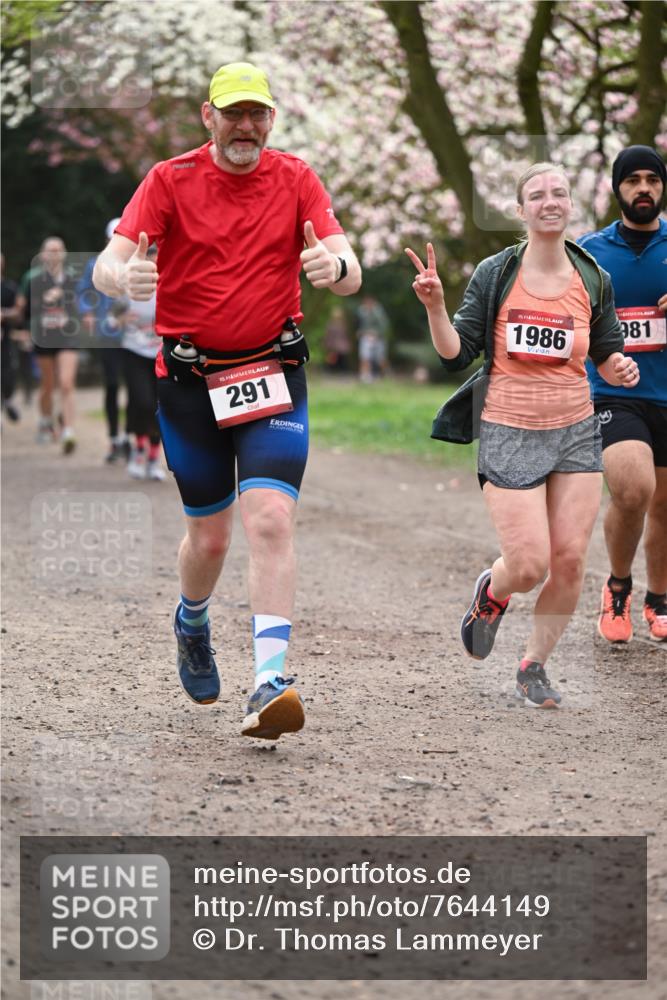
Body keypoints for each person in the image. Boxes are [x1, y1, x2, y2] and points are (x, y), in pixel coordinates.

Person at [92, 62, 361, 737]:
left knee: (269, 518)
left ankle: (269, 681)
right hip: (188, 383)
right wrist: (124, 274)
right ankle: (191, 619)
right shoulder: (169, 179)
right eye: (233, 113)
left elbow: (345, 261)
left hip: (271, 373)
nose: (246, 126)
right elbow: (108, 264)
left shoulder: (296, 177)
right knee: (208, 540)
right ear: (207, 116)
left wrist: (337, 268)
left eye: (257, 113)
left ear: (270, 119)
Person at [406, 163, 638, 709]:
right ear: (521, 210)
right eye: (537, 195)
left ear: (570, 204)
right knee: (530, 564)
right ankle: (494, 590)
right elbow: (455, 353)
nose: (550, 201)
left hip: (576, 431)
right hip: (509, 427)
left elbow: (605, 354)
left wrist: (619, 368)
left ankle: (534, 665)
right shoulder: (497, 271)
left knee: (572, 560)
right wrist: (437, 305)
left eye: (559, 192)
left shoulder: (593, 277)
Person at [578, 146, 667, 643]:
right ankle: (617, 587)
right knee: (633, 490)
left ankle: (659, 600)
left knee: (665, 506)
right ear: (618, 189)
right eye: (632, 180)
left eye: (652, 180)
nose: (643, 189)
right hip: (615, 393)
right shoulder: (590, 252)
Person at [17, 237, 80, 453]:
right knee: (48, 384)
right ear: (42, 254)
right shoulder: (32, 278)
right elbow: (22, 309)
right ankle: (45, 420)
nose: (54, 254)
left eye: (58, 250)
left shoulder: (72, 277)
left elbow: (81, 306)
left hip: (66, 336)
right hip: (42, 336)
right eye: (50, 250)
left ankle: (68, 430)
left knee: (66, 383)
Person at [109, 246, 165, 481]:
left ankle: (154, 458)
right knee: (142, 402)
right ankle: (138, 452)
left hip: (162, 355)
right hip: (135, 353)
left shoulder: (171, 289)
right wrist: (121, 319)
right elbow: (111, 320)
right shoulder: (129, 290)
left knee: (160, 408)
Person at [77, 218, 130, 464]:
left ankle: (131, 436)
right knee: (110, 385)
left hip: (133, 335)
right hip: (106, 333)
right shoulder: (94, 263)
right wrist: (87, 311)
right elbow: (84, 291)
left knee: (136, 388)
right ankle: (113, 439)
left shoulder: (139, 261)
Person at [1, 252, 21, 422]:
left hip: (5, 340)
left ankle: (7, 399)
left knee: (7, 376)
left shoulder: (9, 288)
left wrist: (4, 315)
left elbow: (18, 312)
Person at [356, 294, 389, 382]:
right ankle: (365, 376)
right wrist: (361, 332)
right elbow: (360, 324)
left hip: (378, 338)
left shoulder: (378, 312)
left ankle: (383, 374)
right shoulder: (361, 311)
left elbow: (384, 326)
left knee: (380, 358)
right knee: (365, 356)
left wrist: (376, 334)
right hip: (365, 337)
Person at [323, 306, 352, 372]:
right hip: (334, 343)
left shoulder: (343, 324)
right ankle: (333, 370)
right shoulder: (331, 323)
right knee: (333, 357)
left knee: (341, 357)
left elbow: (345, 334)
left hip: (341, 342)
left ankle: (341, 370)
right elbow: (328, 334)